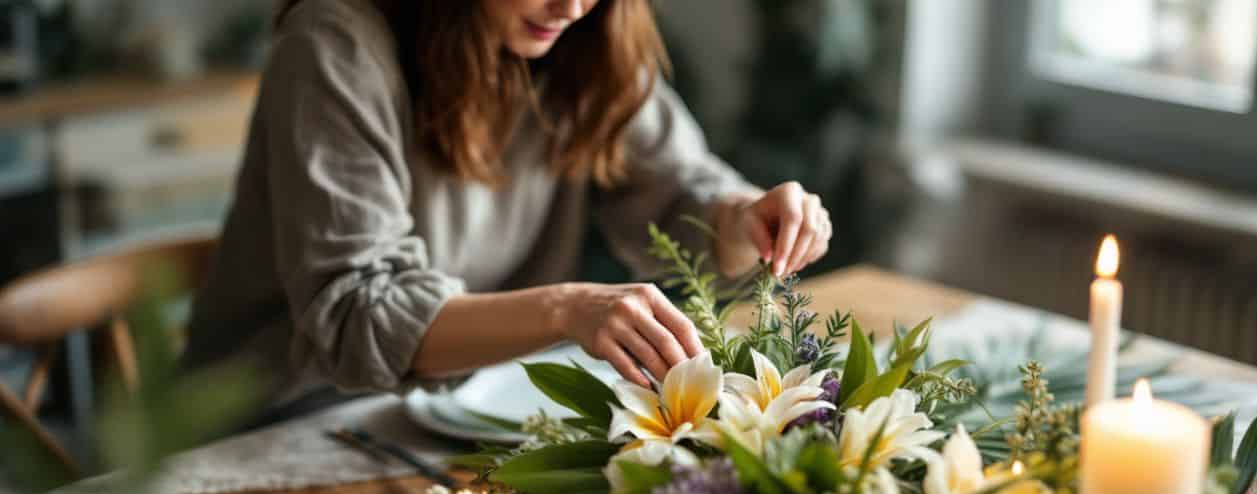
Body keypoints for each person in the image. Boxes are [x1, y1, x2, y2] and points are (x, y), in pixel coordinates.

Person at [183, 0, 833, 421]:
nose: (573, 6)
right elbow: (359, 314)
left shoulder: (587, 40)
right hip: (273, 418)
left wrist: (747, 217)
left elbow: (680, 193)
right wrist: (568, 308)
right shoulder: (335, 43)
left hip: (450, 411)